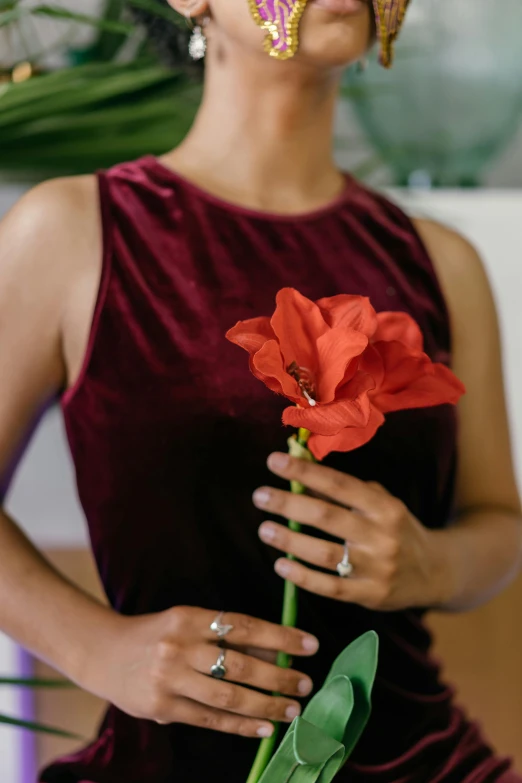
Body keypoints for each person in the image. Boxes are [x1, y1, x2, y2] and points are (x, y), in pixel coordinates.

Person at [0, 0, 521, 780]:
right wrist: (98, 648)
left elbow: (500, 525)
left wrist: (432, 564)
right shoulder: (76, 230)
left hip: (426, 760)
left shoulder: (441, 262)